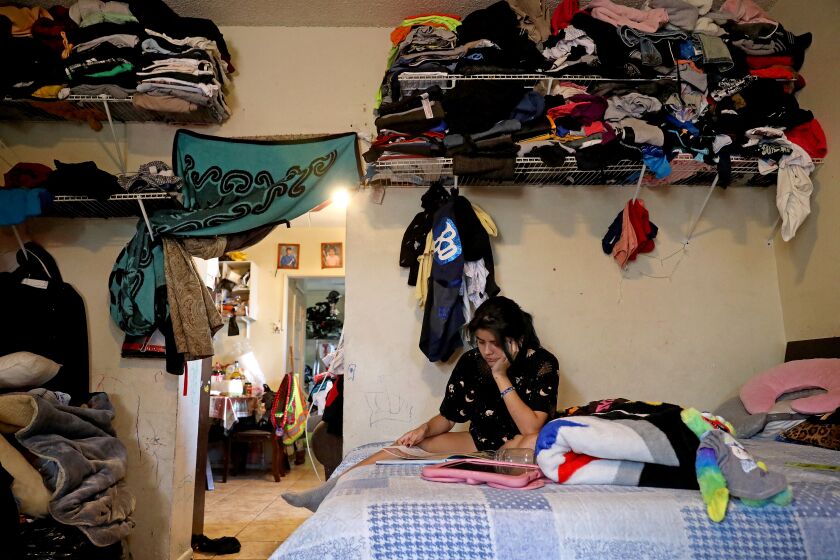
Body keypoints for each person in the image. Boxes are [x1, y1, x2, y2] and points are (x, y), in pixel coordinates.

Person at [282, 296, 559, 511]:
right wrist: (424, 429)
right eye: (481, 342)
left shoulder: (543, 363)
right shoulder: (471, 362)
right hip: (479, 440)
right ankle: (329, 489)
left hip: (520, 448)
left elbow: (530, 426)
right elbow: (448, 417)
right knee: (409, 447)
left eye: (494, 343)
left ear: (516, 339)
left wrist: (500, 376)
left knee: (521, 444)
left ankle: (480, 465)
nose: (486, 351)